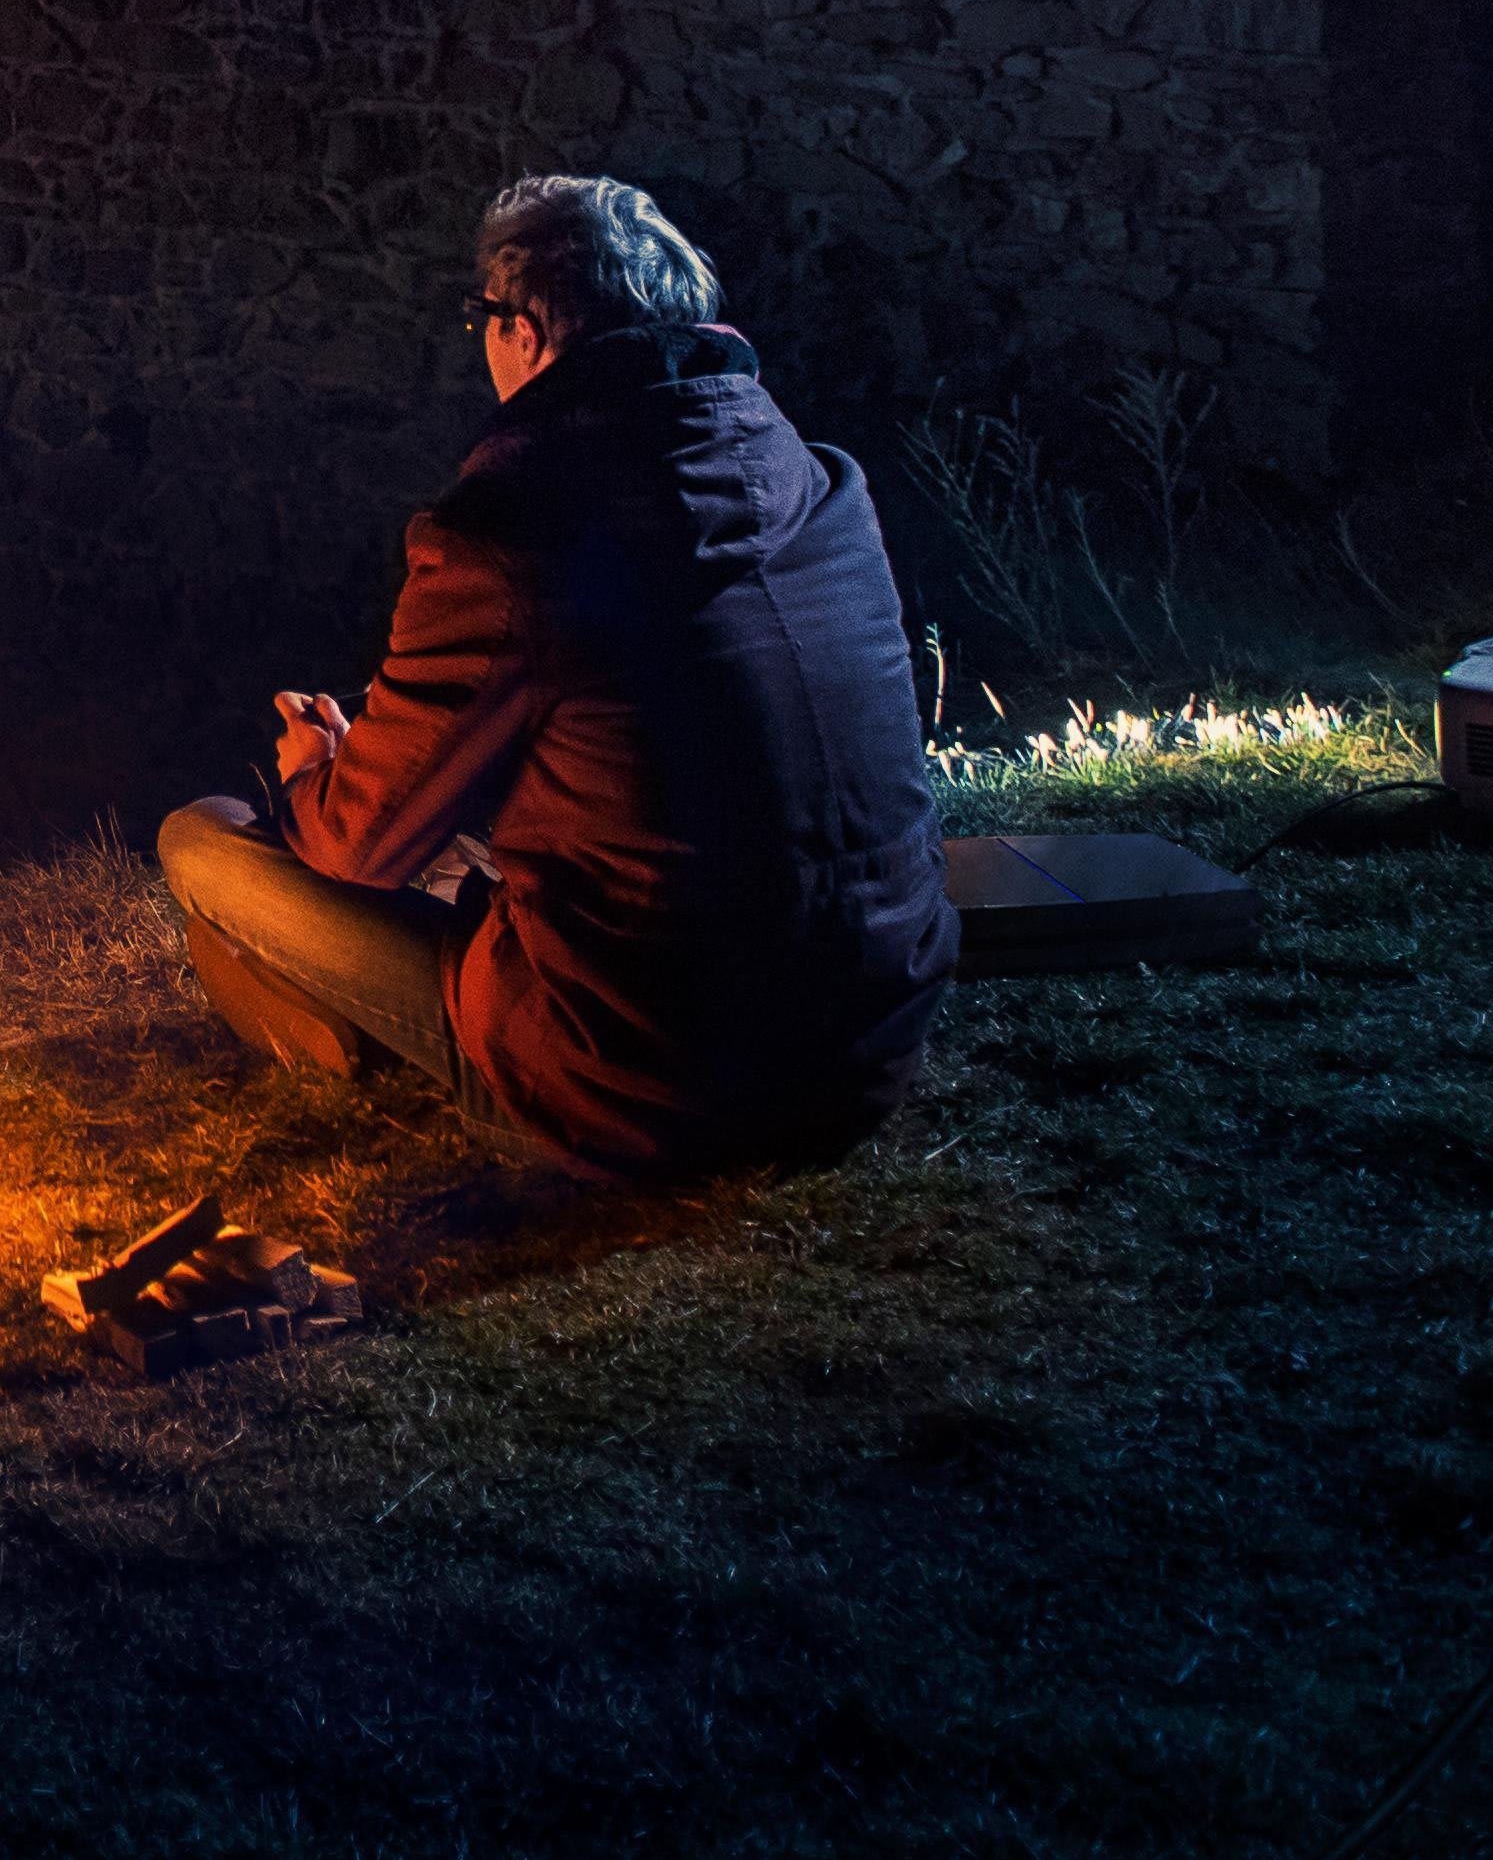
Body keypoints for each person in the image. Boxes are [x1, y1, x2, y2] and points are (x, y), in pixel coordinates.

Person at [159, 176, 958, 1176]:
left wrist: (317, 769)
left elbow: (360, 843)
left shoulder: (510, 533)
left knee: (204, 838)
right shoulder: (824, 484)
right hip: (864, 1057)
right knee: (475, 858)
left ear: (526, 331)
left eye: (480, 319)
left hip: (653, 1089)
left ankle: (408, 1062)